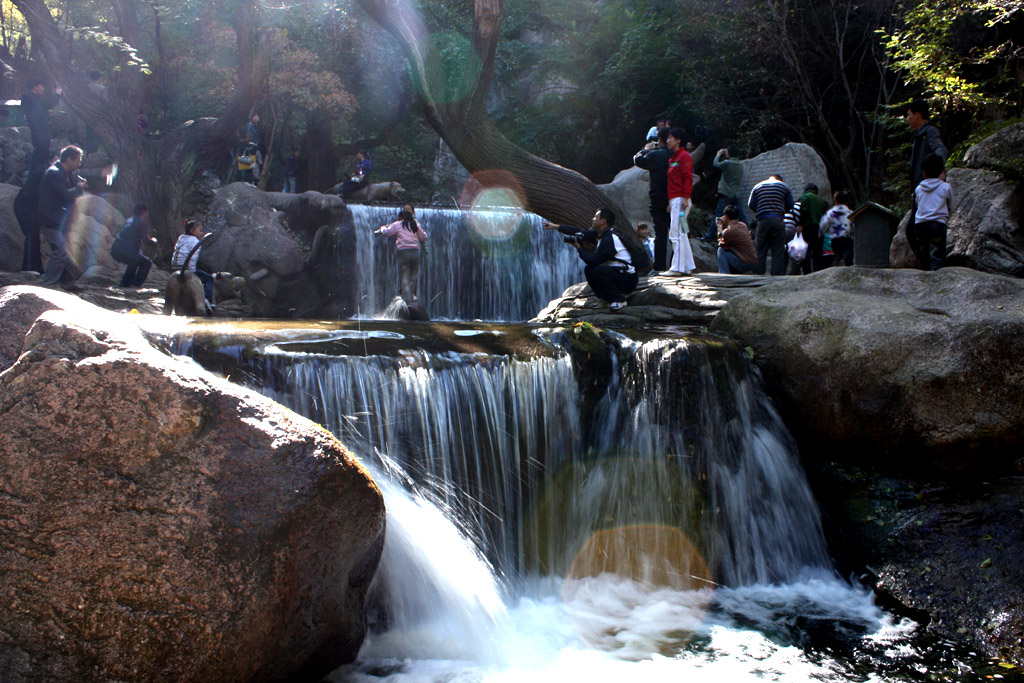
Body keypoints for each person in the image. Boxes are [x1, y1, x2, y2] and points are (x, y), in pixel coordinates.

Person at [39, 145, 87, 291]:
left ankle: (67, 283)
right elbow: (65, 195)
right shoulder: (55, 173)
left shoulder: (67, 173)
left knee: (67, 250)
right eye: (77, 160)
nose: (79, 164)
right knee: (61, 250)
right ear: (68, 159)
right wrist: (79, 188)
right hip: (50, 220)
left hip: (59, 219)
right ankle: (48, 284)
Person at [633, 127, 672, 270]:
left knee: (661, 232)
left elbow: (638, 160)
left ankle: (660, 267)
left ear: (660, 140)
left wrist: (646, 149)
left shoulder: (657, 155)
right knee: (679, 232)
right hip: (677, 199)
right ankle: (678, 264)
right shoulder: (678, 155)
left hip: (658, 198)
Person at [376, 204, 429, 303]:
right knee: (413, 275)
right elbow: (423, 237)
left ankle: (406, 299)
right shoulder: (415, 224)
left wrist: (382, 228)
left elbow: (387, 232)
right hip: (415, 253)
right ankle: (412, 296)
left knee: (404, 275)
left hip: (403, 253)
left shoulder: (398, 224)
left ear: (400, 218)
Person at [13, 154, 57, 273]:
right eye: (56, 160)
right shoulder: (44, 173)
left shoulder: (51, 174)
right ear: (49, 160)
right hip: (24, 207)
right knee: (31, 235)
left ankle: (37, 268)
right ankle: (28, 267)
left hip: (31, 208)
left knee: (34, 236)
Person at [911, 154, 952, 271]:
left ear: (923, 172)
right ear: (941, 171)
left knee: (924, 252)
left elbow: (918, 206)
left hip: (920, 225)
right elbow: (951, 205)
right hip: (938, 225)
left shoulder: (918, 189)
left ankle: (924, 274)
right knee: (937, 254)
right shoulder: (946, 187)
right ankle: (934, 276)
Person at [748, 173, 794, 275]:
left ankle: (758, 274)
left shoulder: (758, 186)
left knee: (760, 249)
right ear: (780, 180)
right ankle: (776, 275)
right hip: (778, 220)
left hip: (762, 221)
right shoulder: (784, 186)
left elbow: (750, 204)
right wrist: (780, 212)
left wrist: (761, 212)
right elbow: (790, 204)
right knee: (778, 250)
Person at [665, 127, 696, 275]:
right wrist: (670, 203)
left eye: (670, 137)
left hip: (681, 199)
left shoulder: (684, 156)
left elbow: (687, 178)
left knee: (675, 232)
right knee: (682, 232)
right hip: (674, 200)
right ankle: (688, 266)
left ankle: (677, 267)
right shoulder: (672, 159)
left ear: (678, 140)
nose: (667, 140)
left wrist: (685, 198)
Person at [702, 147, 747, 243]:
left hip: (726, 193)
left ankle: (709, 236)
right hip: (736, 193)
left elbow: (715, 164)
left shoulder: (727, 163)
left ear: (729, 153)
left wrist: (718, 155)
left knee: (718, 215)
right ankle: (749, 233)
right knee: (741, 215)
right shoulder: (741, 164)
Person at [110, 204, 156, 287]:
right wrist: (153, 241)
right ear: (144, 212)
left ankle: (125, 282)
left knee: (134, 261)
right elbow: (145, 239)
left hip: (116, 249)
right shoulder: (142, 221)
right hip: (128, 250)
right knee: (147, 263)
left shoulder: (128, 220)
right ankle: (135, 283)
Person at [172, 219, 216, 304]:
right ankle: (207, 299)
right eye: (199, 230)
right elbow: (193, 258)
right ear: (192, 231)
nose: (201, 233)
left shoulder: (181, 237)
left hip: (175, 267)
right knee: (209, 278)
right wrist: (193, 272)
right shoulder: (195, 241)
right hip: (187, 268)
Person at [22, 77, 61, 173]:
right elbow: (47, 104)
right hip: (39, 131)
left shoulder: (33, 98)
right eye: (42, 86)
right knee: (40, 154)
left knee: (43, 154)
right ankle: (35, 176)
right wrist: (57, 94)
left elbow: (41, 109)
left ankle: (39, 175)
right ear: (35, 87)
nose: (43, 88)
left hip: (41, 130)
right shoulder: (30, 97)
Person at [907, 100, 947, 190]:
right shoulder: (920, 134)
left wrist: (939, 169)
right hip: (921, 188)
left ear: (917, 115)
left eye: (909, 115)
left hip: (930, 189)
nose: (907, 119)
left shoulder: (930, 131)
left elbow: (940, 148)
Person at [716, 204, 757, 274]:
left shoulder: (729, 231)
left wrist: (719, 228)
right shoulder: (743, 225)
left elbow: (721, 243)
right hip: (754, 263)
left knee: (721, 251)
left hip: (745, 264)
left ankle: (724, 275)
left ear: (726, 216)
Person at [797, 183, 829, 272]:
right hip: (819, 229)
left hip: (808, 227)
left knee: (806, 251)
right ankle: (817, 273)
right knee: (817, 253)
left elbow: (804, 210)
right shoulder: (821, 201)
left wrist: (800, 224)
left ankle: (807, 273)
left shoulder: (805, 197)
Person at [820, 191, 854, 267]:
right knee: (848, 261)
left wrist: (820, 233)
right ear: (847, 201)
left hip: (835, 240)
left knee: (836, 258)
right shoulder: (851, 213)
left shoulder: (830, 213)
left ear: (836, 201)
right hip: (848, 240)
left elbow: (823, 225)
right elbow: (855, 227)